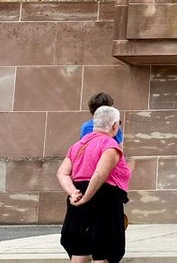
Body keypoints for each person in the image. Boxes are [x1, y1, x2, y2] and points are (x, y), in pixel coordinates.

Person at [57, 105, 132, 263]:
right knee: (103, 250)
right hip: (104, 199)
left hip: (78, 197)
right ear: (114, 125)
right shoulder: (109, 145)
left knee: (79, 249)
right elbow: (99, 174)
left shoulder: (77, 146)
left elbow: (62, 173)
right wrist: (86, 197)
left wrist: (74, 193)